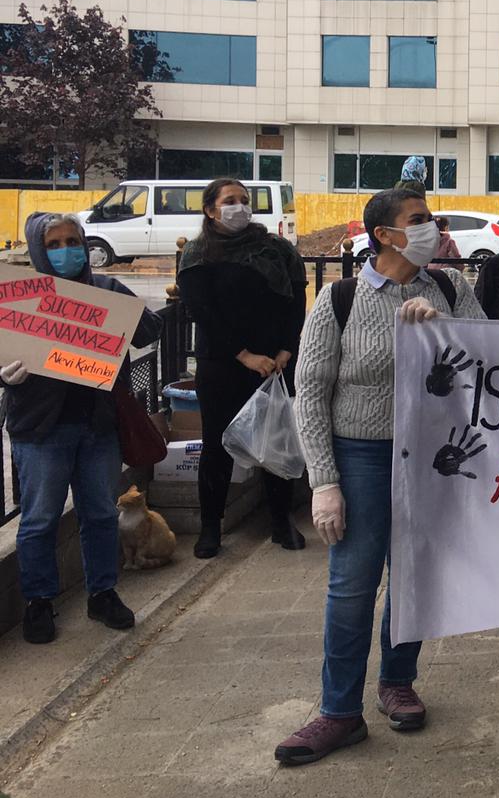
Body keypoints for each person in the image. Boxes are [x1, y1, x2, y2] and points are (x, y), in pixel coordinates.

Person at [276, 189, 486, 766]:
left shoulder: (450, 287)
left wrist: (443, 330)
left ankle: (398, 681)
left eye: (430, 218)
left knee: (413, 574)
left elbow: (490, 356)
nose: (432, 227)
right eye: (418, 220)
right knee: (352, 583)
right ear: (384, 235)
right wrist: (324, 481)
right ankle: (339, 711)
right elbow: (310, 394)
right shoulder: (340, 299)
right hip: (361, 458)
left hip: (431, 457)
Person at [1, 213, 162, 644]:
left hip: (98, 428)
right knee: (39, 520)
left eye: (73, 241)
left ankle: (102, 594)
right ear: (39, 250)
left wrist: (118, 311)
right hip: (40, 429)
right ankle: (38, 602)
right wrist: (5, 376)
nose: (66, 251)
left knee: (100, 514)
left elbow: (152, 329)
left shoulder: (106, 288)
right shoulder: (20, 298)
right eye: (54, 244)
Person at [177, 177, 310, 559]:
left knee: (275, 439)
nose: (240, 207)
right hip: (222, 363)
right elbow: (203, 312)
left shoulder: (276, 249)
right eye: (230, 200)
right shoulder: (198, 254)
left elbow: (295, 299)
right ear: (210, 210)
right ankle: (210, 528)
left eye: (244, 199)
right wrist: (244, 355)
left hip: (273, 363)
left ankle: (281, 521)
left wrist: (286, 349)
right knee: (216, 445)